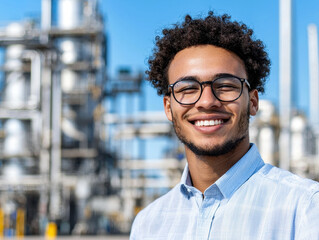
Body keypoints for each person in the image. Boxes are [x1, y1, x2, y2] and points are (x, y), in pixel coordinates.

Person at [130, 12, 319, 239]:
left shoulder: (305, 209)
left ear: (253, 102)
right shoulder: (148, 224)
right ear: (168, 108)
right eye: (187, 88)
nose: (207, 101)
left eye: (226, 85)